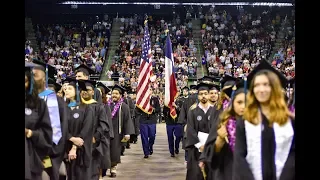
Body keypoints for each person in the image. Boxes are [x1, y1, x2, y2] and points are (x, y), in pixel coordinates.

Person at [233, 60, 295, 180]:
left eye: (266, 84)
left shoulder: (290, 121)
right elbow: (240, 156)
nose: (261, 89)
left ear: (274, 87)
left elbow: (293, 154)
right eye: (257, 85)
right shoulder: (245, 120)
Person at [200, 80, 245, 180]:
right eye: (239, 102)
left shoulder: (259, 123)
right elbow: (212, 156)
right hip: (227, 171)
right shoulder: (224, 121)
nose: (243, 106)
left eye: (247, 102)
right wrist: (220, 139)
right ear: (233, 103)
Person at [32, 60, 69, 180]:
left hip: (49, 156)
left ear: (44, 78)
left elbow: (61, 132)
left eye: (34, 75)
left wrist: (47, 154)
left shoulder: (57, 102)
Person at [25, 62, 53, 180]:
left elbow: (47, 135)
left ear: (30, 83)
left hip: (30, 160)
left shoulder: (38, 104)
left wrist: (30, 133)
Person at [80, 79, 112, 180]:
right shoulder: (77, 106)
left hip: (93, 144)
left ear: (93, 92)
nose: (85, 91)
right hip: (79, 144)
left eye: (88, 90)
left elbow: (104, 125)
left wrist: (95, 136)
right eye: (83, 90)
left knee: (92, 171)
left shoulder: (99, 106)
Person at [64, 78, 94, 180]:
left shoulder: (86, 108)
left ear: (78, 91)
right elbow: (59, 127)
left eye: (70, 89)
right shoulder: (63, 108)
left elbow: (86, 129)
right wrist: (71, 138)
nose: (66, 90)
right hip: (64, 148)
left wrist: (74, 147)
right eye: (66, 88)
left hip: (81, 150)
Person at [185, 82, 216, 180]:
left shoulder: (215, 111)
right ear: (198, 96)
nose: (203, 96)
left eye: (205, 93)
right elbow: (190, 130)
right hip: (196, 149)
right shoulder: (193, 111)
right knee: (196, 174)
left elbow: (216, 129)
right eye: (201, 94)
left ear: (209, 95)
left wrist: (209, 145)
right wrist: (199, 145)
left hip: (212, 149)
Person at [108, 84, 135, 177]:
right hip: (106, 132)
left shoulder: (124, 107)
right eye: (113, 93)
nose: (114, 95)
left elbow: (127, 120)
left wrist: (127, 133)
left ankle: (113, 168)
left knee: (115, 152)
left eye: (116, 93)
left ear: (120, 95)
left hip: (117, 132)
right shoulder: (107, 105)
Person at [135, 88, 161, 159]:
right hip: (143, 120)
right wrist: (141, 113)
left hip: (152, 120)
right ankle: (146, 152)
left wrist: (153, 110)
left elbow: (159, 109)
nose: (148, 91)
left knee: (152, 135)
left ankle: (150, 146)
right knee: (144, 137)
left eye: (150, 89)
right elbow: (137, 110)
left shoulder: (155, 99)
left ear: (152, 91)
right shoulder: (141, 99)